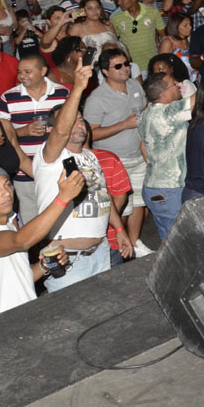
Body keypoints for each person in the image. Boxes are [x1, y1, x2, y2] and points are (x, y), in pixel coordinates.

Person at [35, 62, 133, 290]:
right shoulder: (48, 157)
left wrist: (119, 230)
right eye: (71, 120)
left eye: (80, 119)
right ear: (52, 130)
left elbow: (103, 196)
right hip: (66, 260)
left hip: (100, 253)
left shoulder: (90, 156)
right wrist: (78, 88)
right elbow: (61, 130)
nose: (78, 124)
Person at [0, 161, 84, 320]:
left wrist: (45, 265)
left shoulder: (8, 228)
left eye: (8, 185)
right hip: (1, 325)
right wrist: (62, 198)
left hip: (28, 318)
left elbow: (21, 277)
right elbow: (20, 241)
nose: (6, 193)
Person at [83, 47, 152, 257]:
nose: (125, 69)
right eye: (118, 66)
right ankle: (113, 247)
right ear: (105, 71)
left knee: (139, 202)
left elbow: (145, 110)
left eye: (127, 64)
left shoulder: (134, 85)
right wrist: (124, 125)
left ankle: (134, 242)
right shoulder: (97, 98)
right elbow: (91, 134)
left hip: (137, 155)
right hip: (114, 161)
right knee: (119, 207)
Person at [0, 54, 68, 223]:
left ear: (43, 71)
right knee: (31, 222)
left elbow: (73, 127)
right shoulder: (8, 98)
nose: (22, 76)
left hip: (57, 170)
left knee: (61, 220)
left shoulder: (63, 94)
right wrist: (22, 131)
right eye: (19, 72)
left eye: (27, 71)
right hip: (24, 173)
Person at [137, 72, 194, 237]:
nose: (177, 84)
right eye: (173, 84)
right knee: (180, 239)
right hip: (170, 190)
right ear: (164, 94)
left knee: (168, 237)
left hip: (152, 186)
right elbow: (201, 98)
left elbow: (143, 148)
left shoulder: (145, 115)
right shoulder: (168, 112)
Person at [110, 0, 165, 71]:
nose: (119, 2)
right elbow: (114, 41)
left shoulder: (152, 12)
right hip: (130, 66)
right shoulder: (116, 18)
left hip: (151, 64)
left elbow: (163, 36)